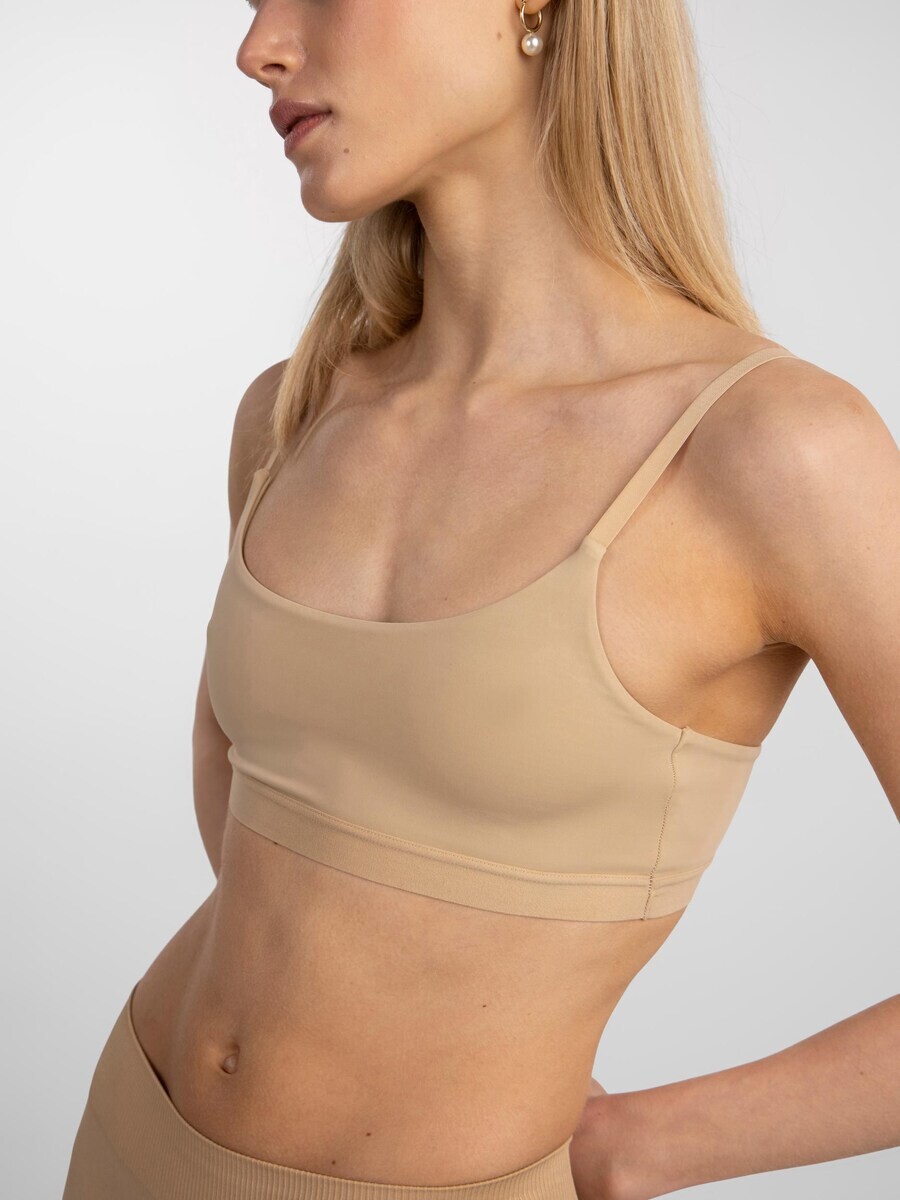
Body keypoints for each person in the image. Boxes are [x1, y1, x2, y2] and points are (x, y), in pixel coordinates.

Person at [62, 2, 899, 1198]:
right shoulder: (294, 412)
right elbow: (249, 786)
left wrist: (649, 1144)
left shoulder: (771, 453)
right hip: (134, 1139)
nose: (259, 47)